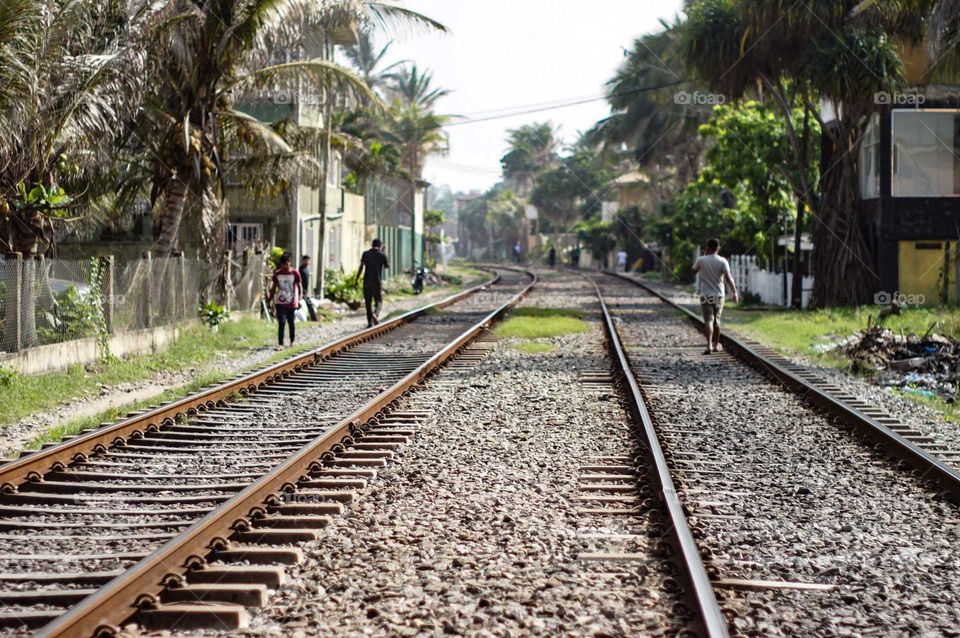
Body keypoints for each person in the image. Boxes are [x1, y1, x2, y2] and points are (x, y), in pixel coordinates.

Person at [692, 238, 739, 354]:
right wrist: (734, 292)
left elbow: (693, 271)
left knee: (708, 320)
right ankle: (716, 344)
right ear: (718, 248)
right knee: (716, 320)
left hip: (705, 294)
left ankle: (708, 346)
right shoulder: (723, 261)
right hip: (719, 295)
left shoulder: (701, 260)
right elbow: (728, 277)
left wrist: (703, 256)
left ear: (707, 247)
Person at [268, 253, 302, 349]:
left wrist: (300, 298)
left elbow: (300, 287)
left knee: (291, 322)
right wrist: (270, 300)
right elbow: (273, 288)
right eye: (283, 265)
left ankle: (292, 341)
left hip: (292, 302)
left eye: (287, 264)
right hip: (281, 302)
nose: (285, 266)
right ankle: (281, 344)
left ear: (290, 262)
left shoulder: (295, 273)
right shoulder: (277, 273)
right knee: (282, 322)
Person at [357, 238, 389, 328]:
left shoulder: (365, 254)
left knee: (368, 303)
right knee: (379, 301)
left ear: (372, 245)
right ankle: (376, 314)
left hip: (366, 282)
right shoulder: (382, 255)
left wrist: (356, 279)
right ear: (380, 246)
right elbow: (387, 266)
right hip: (377, 282)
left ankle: (370, 323)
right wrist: (383, 252)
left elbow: (361, 267)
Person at [299, 255, 318, 322]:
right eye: (306, 260)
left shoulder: (306, 269)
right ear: (303, 261)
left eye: (308, 260)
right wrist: (301, 290)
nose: (307, 262)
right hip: (301, 290)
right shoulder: (300, 269)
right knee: (309, 304)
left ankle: (314, 318)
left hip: (305, 290)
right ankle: (314, 319)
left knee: (308, 304)